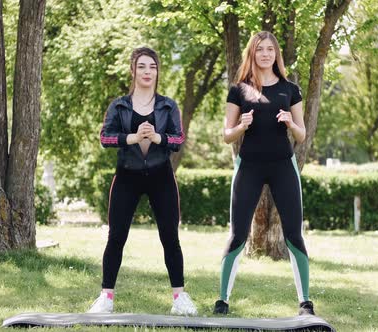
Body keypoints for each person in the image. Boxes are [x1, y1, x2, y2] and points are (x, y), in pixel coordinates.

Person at [88, 47, 197, 316]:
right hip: (127, 176)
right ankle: (106, 297)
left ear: (157, 71)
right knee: (116, 237)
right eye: (142, 67)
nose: (147, 72)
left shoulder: (168, 105)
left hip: (162, 176)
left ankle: (180, 298)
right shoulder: (120, 105)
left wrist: (159, 138)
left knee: (170, 237)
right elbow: (105, 138)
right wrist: (133, 138)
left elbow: (179, 139)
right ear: (133, 71)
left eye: (152, 67)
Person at [213, 31, 314, 316]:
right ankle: (222, 300)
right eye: (260, 50)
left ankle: (305, 301)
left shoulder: (290, 89)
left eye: (270, 50)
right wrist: (241, 127)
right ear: (252, 54)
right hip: (250, 167)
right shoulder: (239, 90)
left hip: (283, 166)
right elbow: (226, 136)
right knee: (237, 235)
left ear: (276, 55)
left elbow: (302, 134)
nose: (265, 54)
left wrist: (289, 124)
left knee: (294, 234)